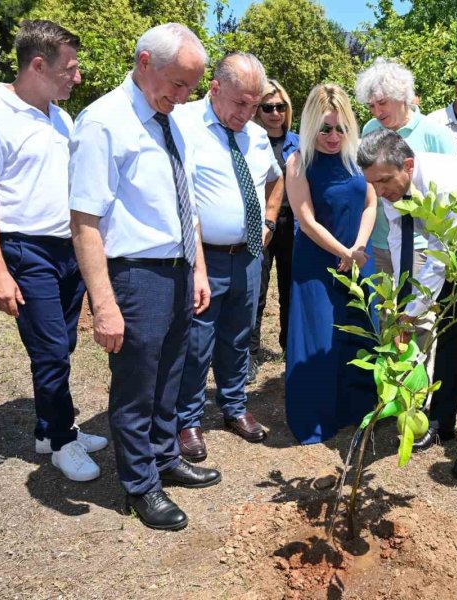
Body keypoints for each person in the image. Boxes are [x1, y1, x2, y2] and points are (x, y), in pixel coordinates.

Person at [70, 23, 221, 531]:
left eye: (189, 88)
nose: (181, 97)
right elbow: (85, 221)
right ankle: (140, 486)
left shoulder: (170, 120)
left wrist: (198, 268)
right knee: (136, 387)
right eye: (175, 84)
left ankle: (163, 458)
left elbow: (187, 204)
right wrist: (104, 303)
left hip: (178, 271)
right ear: (142, 62)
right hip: (135, 276)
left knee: (170, 379)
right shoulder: (104, 122)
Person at [0, 20, 107, 482]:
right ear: (38, 64)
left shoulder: (59, 117)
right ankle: (62, 443)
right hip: (26, 250)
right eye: (71, 68)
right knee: (49, 351)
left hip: (67, 249)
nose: (77, 78)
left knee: (63, 343)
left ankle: (50, 430)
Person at [357, 129, 457, 479]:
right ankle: (441, 423)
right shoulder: (392, 184)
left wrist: (411, 313)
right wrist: (400, 297)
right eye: (373, 183)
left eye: (384, 181)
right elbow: (401, 238)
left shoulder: (446, 183)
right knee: (450, 339)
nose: (380, 191)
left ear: (408, 165)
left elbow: (440, 260)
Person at [173, 53, 283, 460]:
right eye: (240, 103)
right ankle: (187, 420)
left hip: (249, 256)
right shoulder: (183, 124)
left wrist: (269, 222)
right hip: (205, 258)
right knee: (197, 341)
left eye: (255, 105)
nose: (248, 113)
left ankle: (235, 408)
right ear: (215, 88)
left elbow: (276, 179)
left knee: (239, 337)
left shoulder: (254, 136)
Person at [285, 83, 378, 445]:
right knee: (320, 338)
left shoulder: (357, 157)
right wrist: (342, 251)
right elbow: (305, 219)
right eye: (325, 128)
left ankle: (355, 410)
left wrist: (358, 246)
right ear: (311, 126)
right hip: (317, 262)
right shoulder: (298, 161)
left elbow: (371, 204)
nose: (333, 136)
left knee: (357, 336)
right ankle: (316, 419)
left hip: (357, 259)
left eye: (340, 128)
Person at [355, 58, 456, 276]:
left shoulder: (435, 134)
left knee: (414, 306)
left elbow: (452, 195)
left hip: (421, 243)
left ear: (401, 95)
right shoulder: (370, 130)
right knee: (380, 308)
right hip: (379, 240)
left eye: (382, 103)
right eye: (371, 106)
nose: (376, 112)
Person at [249, 79, 300, 381]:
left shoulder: (299, 142)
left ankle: (290, 347)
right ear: (259, 109)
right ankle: (250, 354)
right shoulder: (251, 140)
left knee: (291, 290)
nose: (274, 112)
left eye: (280, 106)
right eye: (268, 107)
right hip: (261, 226)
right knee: (256, 292)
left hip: (293, 226)